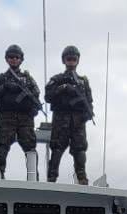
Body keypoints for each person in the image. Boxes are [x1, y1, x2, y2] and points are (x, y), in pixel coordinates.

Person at [0, 44, 42, 178]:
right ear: (7, 59)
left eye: (16, 57)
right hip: (7, 117)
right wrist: (5, 87)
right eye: (11, 57)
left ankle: (33, 177)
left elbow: (36, 95)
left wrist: (34, 109)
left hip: (25, 118)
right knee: (3, 146)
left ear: (21, 59)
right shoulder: (1, 78)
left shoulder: (28, 79)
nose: (14, 60)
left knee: (30, 148)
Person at [44, 45, 94, 184]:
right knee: (57, 148)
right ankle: (52, 178)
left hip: (78, 121)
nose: (71, 61)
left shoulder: (83, 82)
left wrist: (88, 114)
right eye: (68, 59)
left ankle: (82, 178)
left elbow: (89, 101)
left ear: (77, 60)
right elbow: (48, 96)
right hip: (61, 119)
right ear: (64, 60)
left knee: (80, 149)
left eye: (73, 59)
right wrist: (63, 88)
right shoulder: (57, 79)